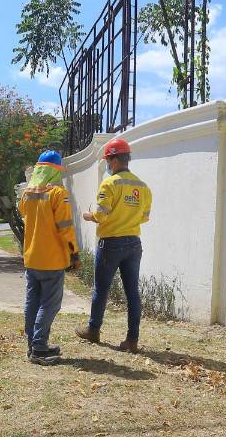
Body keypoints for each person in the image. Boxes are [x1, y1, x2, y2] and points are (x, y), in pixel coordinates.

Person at [76, 138, 151, 354]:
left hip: (111, 243)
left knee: (101, 288)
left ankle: (93, 330)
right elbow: (144, 217)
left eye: (109, 160)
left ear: (116, 160)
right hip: (134, 243)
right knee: (132, 293)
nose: (108, 164)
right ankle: (132, 340)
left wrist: (87, 215)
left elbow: (100, 214)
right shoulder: (142, 186)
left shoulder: (110, 184)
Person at [18, 150, 79, 364]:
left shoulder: (27, 194)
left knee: (32, 302)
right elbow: (66, 228)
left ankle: (32, 344)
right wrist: (74, 253)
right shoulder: (58, 194)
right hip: (51, 260)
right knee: (49, 304)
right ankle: (39, 347)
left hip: (31, 259)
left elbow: (25, 216)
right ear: (56, 171)